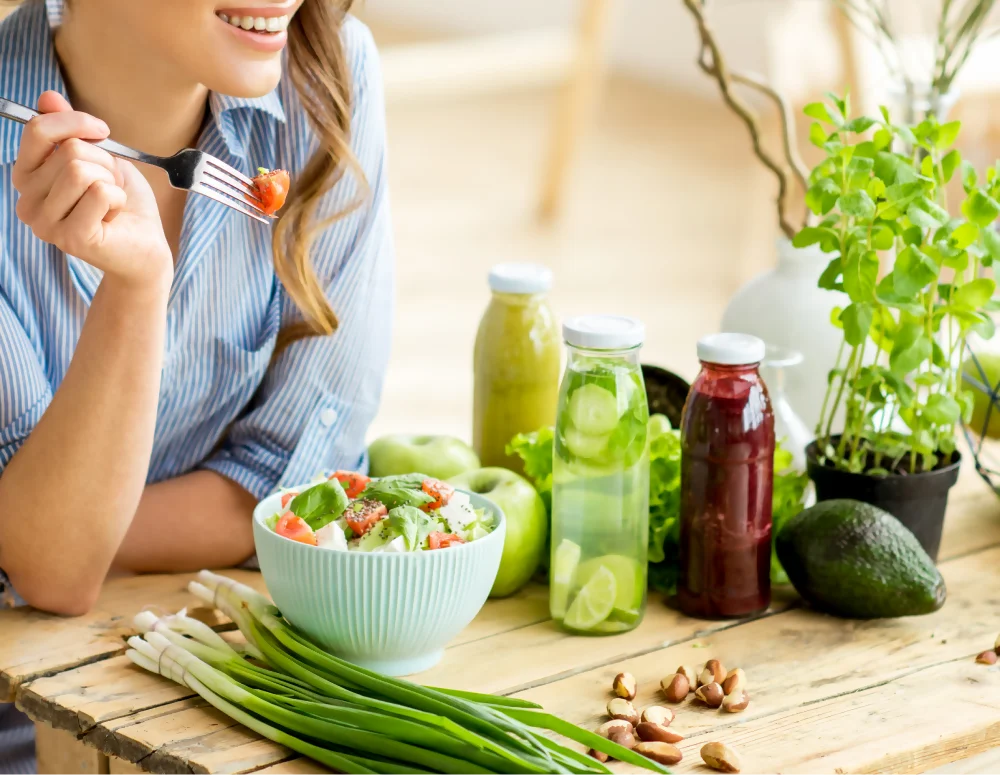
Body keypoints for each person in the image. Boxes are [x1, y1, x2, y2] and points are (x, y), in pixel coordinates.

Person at [0, 0, 393, 770]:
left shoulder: (329, 73)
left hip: (216, 668)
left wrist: (43, 525)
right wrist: (138, 285)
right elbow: (52, 570)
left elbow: (303, 485)